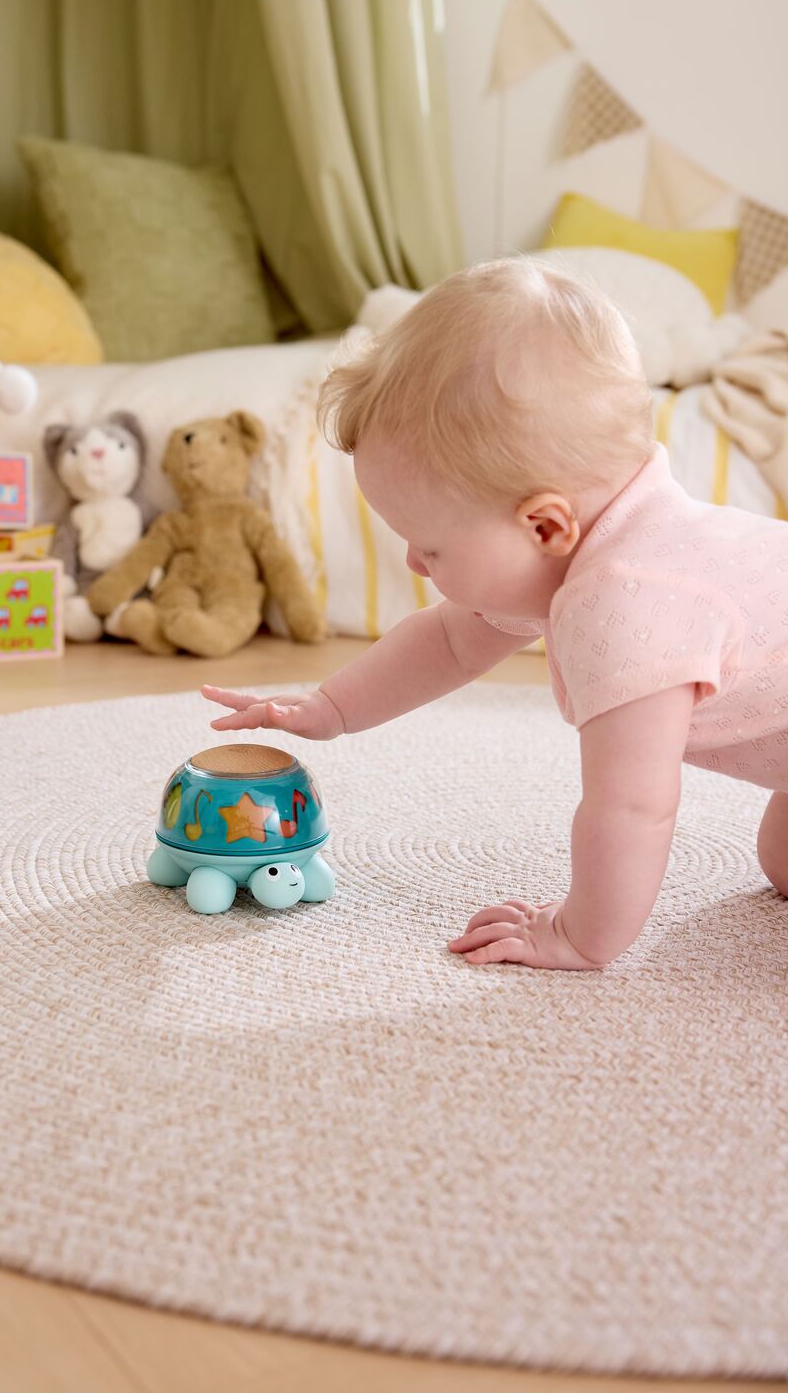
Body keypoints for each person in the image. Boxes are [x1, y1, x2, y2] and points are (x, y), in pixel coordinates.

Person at [201, 258, 788, 969]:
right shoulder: (587, 545)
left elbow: (633, 807)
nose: (415, 564)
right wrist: (331, 708)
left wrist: (579, 934)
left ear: (543, 525)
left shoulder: (631, 606)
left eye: (431, 547)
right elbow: (450, 641)